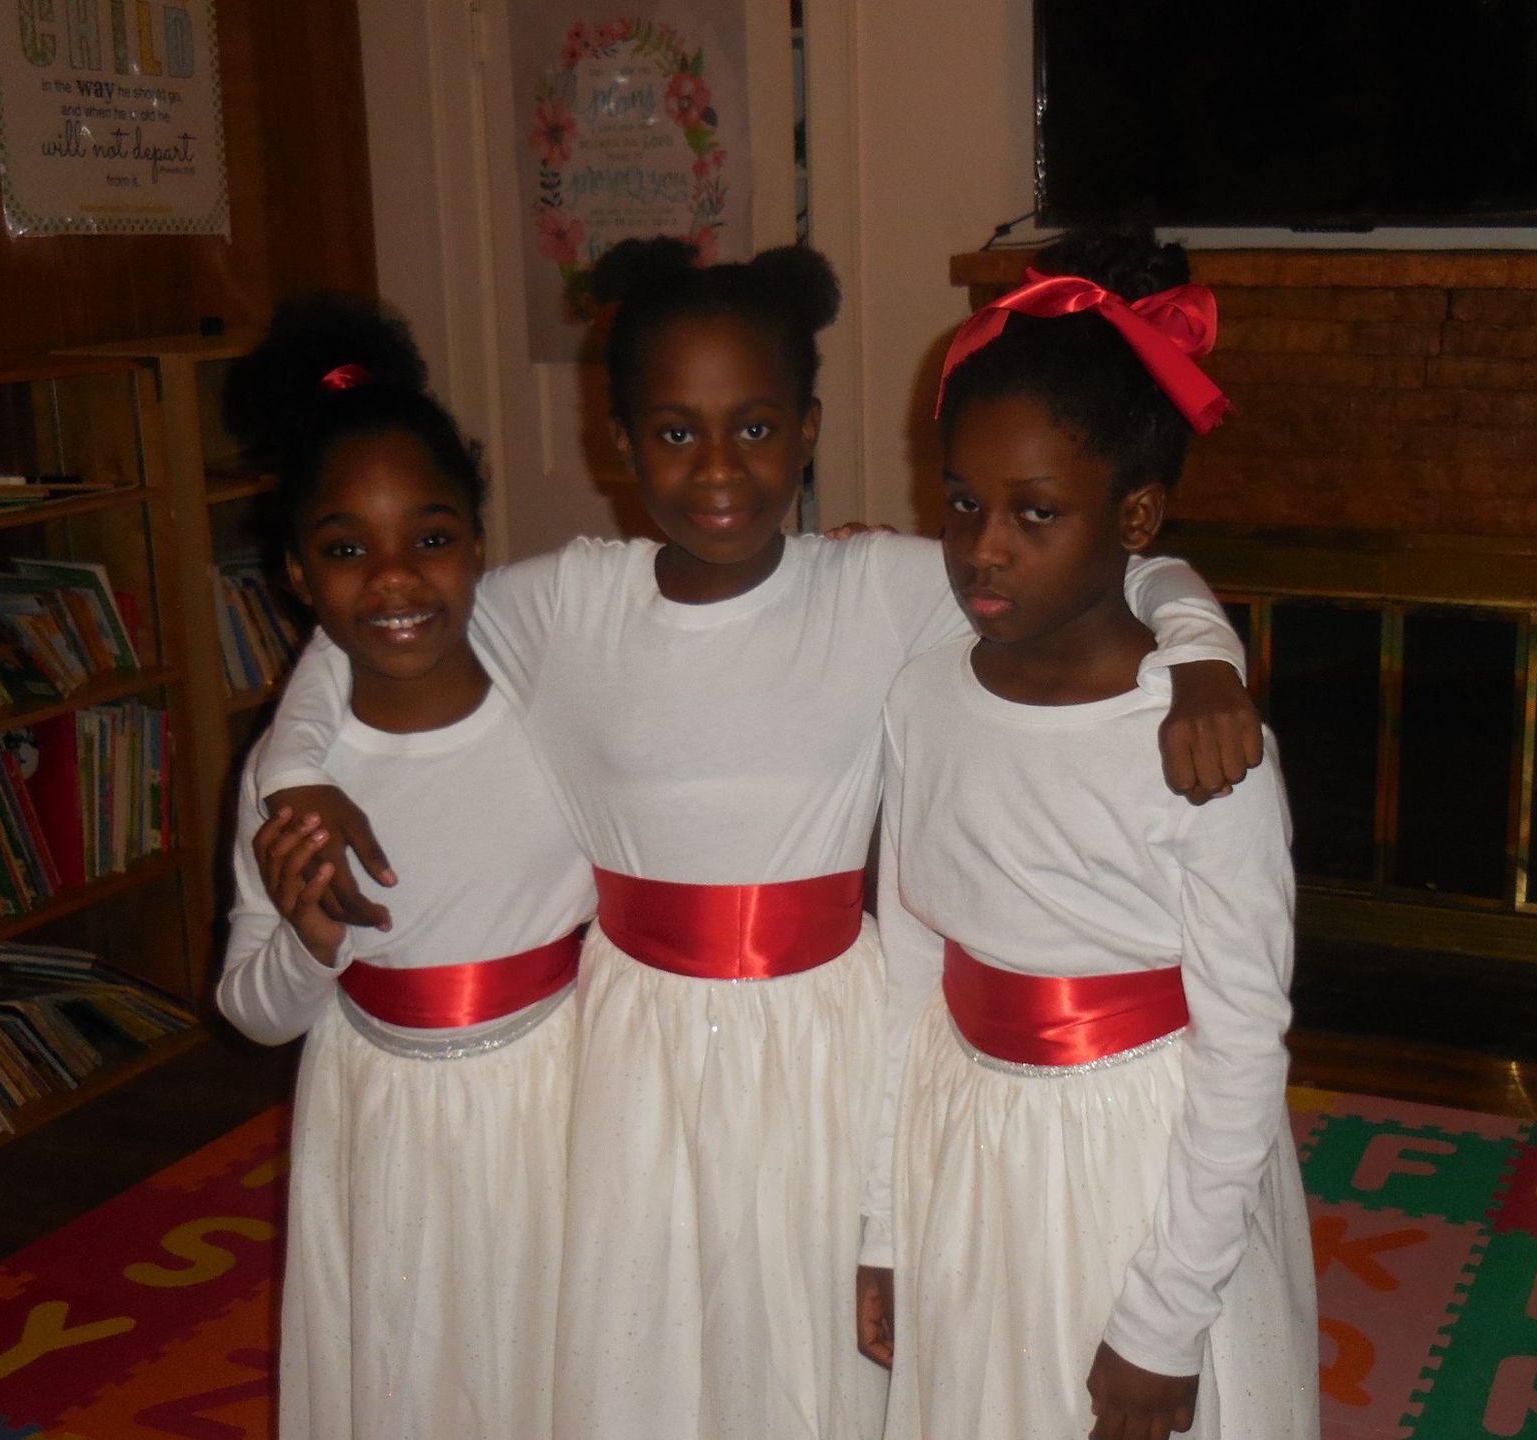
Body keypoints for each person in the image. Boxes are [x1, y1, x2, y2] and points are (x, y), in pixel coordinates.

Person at [251, 239, 1261, 1440]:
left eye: (756, 427)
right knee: (649, 1328)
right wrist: (295, 774)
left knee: (813, 1332)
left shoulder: (880, 585)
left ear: (812, 430)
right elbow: (375, 617)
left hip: (824, 1034)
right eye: (675, 433)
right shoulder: (567, 602)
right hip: (634, 1040)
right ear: (618, 446)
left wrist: (1202, 646)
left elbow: (1106, 561)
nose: (717, 469)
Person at [860, 230, 1320, 1440]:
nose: (983, 547)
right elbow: (905, 973)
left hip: (1133, 1170)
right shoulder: (920, 698)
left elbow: (1240, 1046)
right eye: (962, 503)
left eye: (1035, 512)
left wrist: (1166, 1321)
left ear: (1136, 516)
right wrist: (883, 1226)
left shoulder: (1201, 744)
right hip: (964, 1147)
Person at [214, 295, 594, 1439]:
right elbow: (255, 1011)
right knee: (414, 1371)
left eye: (429, 539)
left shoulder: (555, 708)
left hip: (563, 1102)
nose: (393, 580)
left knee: (560, 1364)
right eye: (345, 549)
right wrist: (313, 934)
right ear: (294, 573)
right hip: (382, 1119)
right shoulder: (290, 782)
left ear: (479, 541)